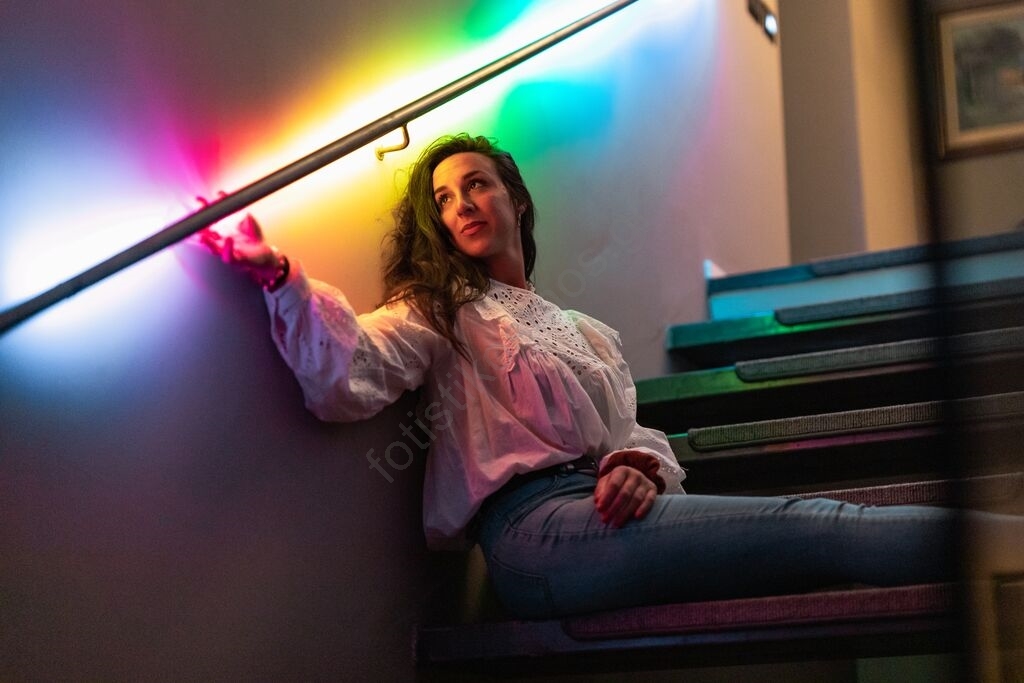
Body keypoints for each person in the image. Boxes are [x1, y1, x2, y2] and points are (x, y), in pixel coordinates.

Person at [198, 133, 1023, 620]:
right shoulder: (441, 309)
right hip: (530, 536)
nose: (462, 204)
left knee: (813, 526)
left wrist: (637, 466)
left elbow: (632, 434)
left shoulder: (587, 331)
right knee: (814, 522)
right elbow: (348, 375)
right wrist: (279, 275)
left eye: (476, 184)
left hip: (599, 511)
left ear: (516, 200)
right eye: (444, 200)